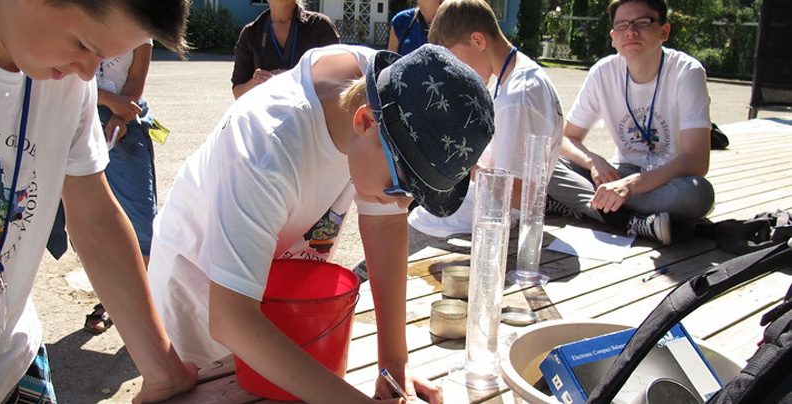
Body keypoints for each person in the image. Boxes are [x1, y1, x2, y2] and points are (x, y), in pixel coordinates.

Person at [147, 44, 494, 404]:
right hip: (198, 291)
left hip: (275, 293)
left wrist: (394, 364)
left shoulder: (390, 95)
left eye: (416, 197)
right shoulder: (267, 145)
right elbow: (230, 318)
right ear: (364, 121)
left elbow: (386, 227)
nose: (400, 204)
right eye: (400, 187)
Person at [0, 0, 197, 403]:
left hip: (15, 361)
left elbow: (95, 218)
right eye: (82, 44)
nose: (89, 74)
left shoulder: (70, 76)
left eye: (104, 58)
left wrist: (163, 370)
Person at [397, 0, 565, 262]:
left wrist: (456, 156)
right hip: (459, 217)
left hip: (462, 226)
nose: (455, 74)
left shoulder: (518, 96)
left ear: (478, 40)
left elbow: (518, 195)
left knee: (367, 277)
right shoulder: (512, 79)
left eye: (455, 62)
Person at [546, 0, 714, 245]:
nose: (631, 32)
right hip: (621, 171)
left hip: (669, 180)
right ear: (613, 37)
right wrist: (596, 163)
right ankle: (631, 221)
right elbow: (566, 138)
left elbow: (696, 161)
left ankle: (588, 206)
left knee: (699, 194)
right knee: (546, 162)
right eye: (622, 25)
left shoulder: (687, 72)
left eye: (642, 23)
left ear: (664, 31)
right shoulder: (603, 72)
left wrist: (631, 186)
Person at [80, 40, 160, 334]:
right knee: (91, 219)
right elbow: (72, 74)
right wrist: (108, 101)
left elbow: (136, 79)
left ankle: (148, 303)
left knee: (141, 219)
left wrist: (118, 113)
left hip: (126, 121)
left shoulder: (141, 25)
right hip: (79, 118)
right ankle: (110, 301)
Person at [231, 0, 339, 99]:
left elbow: (338, 82)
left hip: (308, 117)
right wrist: (253, 84)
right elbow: (237, 92)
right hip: (266, 117)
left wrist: (299, 80)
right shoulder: (251, 32)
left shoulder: (320, 26)